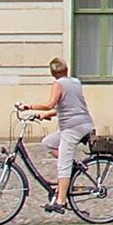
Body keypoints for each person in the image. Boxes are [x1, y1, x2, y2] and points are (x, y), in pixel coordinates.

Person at [19, 58, 96, 216]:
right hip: (83, 123)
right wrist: (45, 115)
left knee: (63, 165)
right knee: (48, 143)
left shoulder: (58, 84)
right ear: (66, 70)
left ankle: (61, 200)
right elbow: (67, 106)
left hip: (73, 128)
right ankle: (71, 167)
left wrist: (28, 107)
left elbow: (50, 103)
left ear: (52, 73)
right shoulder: (75, 82)